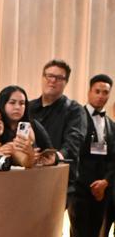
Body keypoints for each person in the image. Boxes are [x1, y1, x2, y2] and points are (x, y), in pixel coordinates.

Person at [59, 74, 115, 237]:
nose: (101, 96)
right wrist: (88, 183)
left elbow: (113, 159)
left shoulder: (111, 125)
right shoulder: (77, 118)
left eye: (105, 92)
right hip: (80, 189)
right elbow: (74, 154)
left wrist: (105, 182)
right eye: (98, 91)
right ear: (89, 92)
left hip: (102, 190)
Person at [28, 60, 86, 195]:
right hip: (29, 178)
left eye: (59, 78)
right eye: (49, 76)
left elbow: (74, 141)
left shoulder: (75, 110)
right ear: (43, 78)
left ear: (66, 82)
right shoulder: (28, 107)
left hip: (58, 180)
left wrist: (56, 157)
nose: (52, 81)